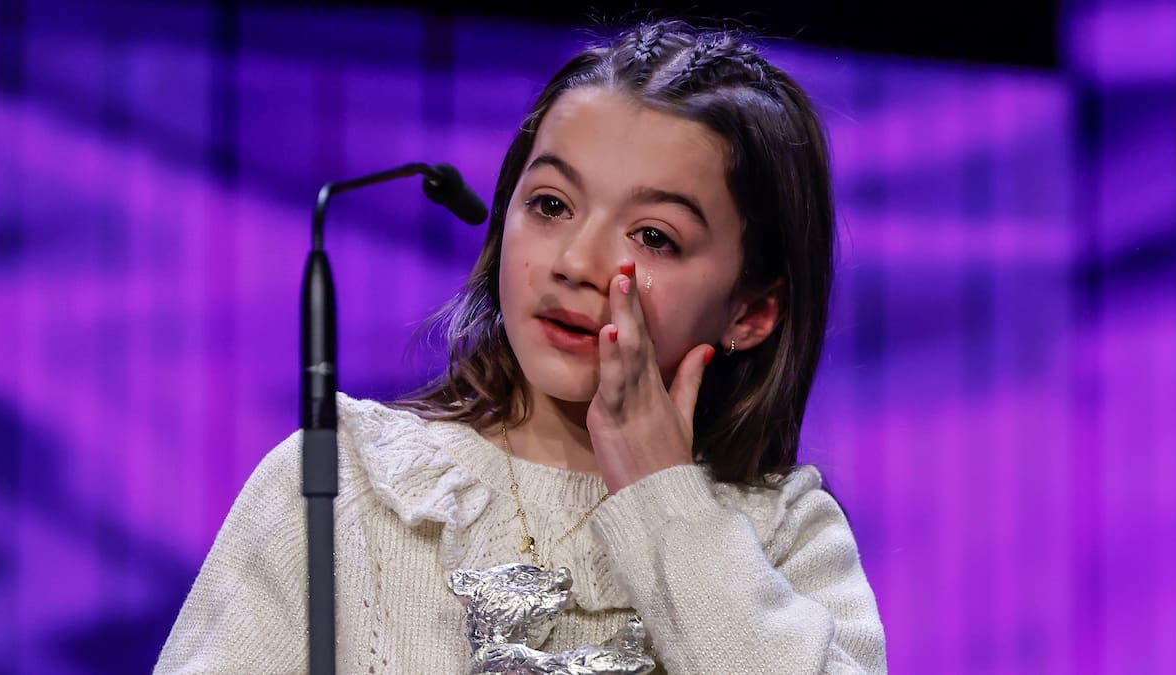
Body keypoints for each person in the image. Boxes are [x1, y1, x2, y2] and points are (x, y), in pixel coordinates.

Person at [156, 19, 886, 674]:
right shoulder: (342, 484)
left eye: (654, 235)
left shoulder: (786, 533)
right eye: (551, 205)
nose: (575, 261)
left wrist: (663, 498)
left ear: (752, 311)